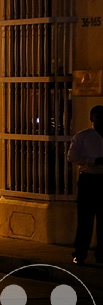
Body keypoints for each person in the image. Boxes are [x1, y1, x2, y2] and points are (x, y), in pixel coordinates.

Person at [66, 104, 103, 265]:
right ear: (92, 119)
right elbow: (72, 156)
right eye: (98, 117)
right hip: (89, 179)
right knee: (85, 220)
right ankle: (80, 253)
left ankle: (101, 254)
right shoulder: (83, 136)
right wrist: (93, 161)